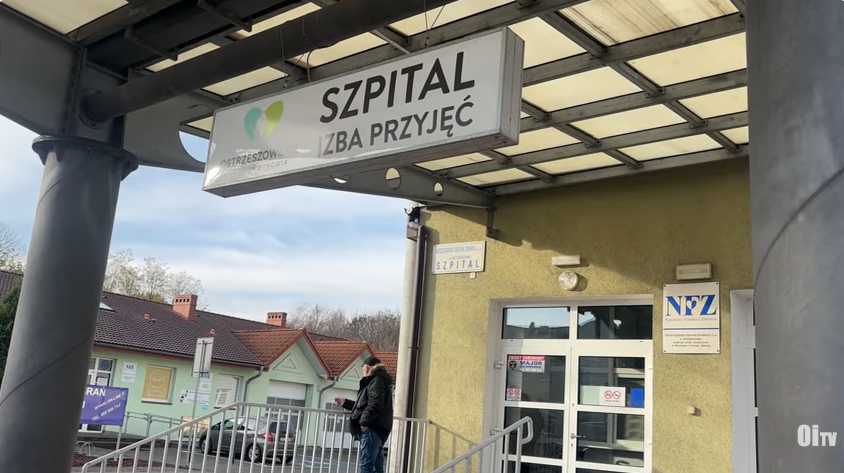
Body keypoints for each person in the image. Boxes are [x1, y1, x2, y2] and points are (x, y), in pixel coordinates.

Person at [335, 356, 394, 473]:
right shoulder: (380, 381)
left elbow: (374, 404)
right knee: (376, 466)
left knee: (366, 466)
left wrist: (364, 423)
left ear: (366, 368)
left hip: (372, 428)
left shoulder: (376, 381)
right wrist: (345, 403)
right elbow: (363, 405)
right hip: (378, 428)